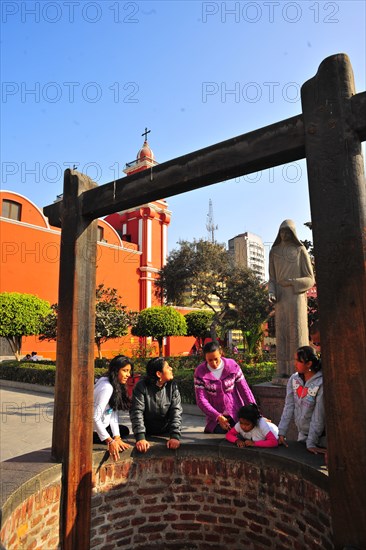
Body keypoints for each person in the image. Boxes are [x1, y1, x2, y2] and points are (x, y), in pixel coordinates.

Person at [269, 220, 315, 377]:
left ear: (293, 233)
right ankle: (282, 371)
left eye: (287, 231)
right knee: (282, 332)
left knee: (296, 331)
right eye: (282, 231)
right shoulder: (274, 252)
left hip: (296, 296)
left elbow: (310, 278)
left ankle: (298, 371)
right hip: (280, 298)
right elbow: (272, 278)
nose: (284, 234)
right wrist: (271, 292)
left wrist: (292, 282)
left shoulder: (300, 250)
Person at [194, 341, 256, 434]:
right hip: (216, 421)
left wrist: (256, 413)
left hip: (238, 415)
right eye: (209, 360)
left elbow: (245, 390)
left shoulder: (232, 366)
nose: (214, 363)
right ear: (205, 358)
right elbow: (201, 400)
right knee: (224, 435)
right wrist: (218, 416)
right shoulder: (200, 372)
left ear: (221, 353)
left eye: (216, 359)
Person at [278, 345, 326, 455]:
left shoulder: (320, 382)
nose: (294, 364)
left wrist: (311, 442)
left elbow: (318, 415)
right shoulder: (294, 379)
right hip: (302, 435)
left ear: (309, 364)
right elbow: (289, 406)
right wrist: (281, 432)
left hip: (320, 438)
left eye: (298, 361)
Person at [130, 357, 182, 453]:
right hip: (147, 432)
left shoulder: (172, 386)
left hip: (166, 431)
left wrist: (175, 436)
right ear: (159, 374)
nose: (171, 368)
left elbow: (176, 411)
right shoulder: (141, 386)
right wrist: (140, 437)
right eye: (167, 367)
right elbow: (137, 411)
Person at [93, 355, 132, 461]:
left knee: (123, 430)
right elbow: (94, 417)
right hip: (93, 431)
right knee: (122, 431)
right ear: (116, 370)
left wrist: (117, 437)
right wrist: (110, 441)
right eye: (125, 370)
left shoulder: (113, 384)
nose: (128, 375)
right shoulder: (107, 388)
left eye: (129, 371)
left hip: (103, 426)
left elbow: (112, 413)